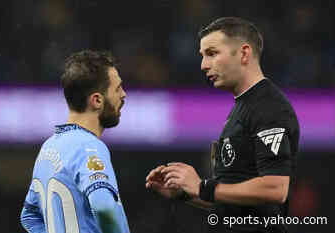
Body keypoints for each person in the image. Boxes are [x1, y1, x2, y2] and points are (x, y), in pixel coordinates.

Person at [146, 17, 300, 233]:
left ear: (244, 53)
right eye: (203, 56)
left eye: (212, 53)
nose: (203, 65)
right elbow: (235, 203)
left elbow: (275, 188)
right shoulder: (242, 107)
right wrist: (186, 193)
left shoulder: (269, 108)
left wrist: (202, 186)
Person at [20, 50, 130, 233]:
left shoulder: (49, 147)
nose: (124, 94)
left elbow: (29, 216)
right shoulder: (89, 147)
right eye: (118, 88)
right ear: (97, 100)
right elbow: (103, 205)